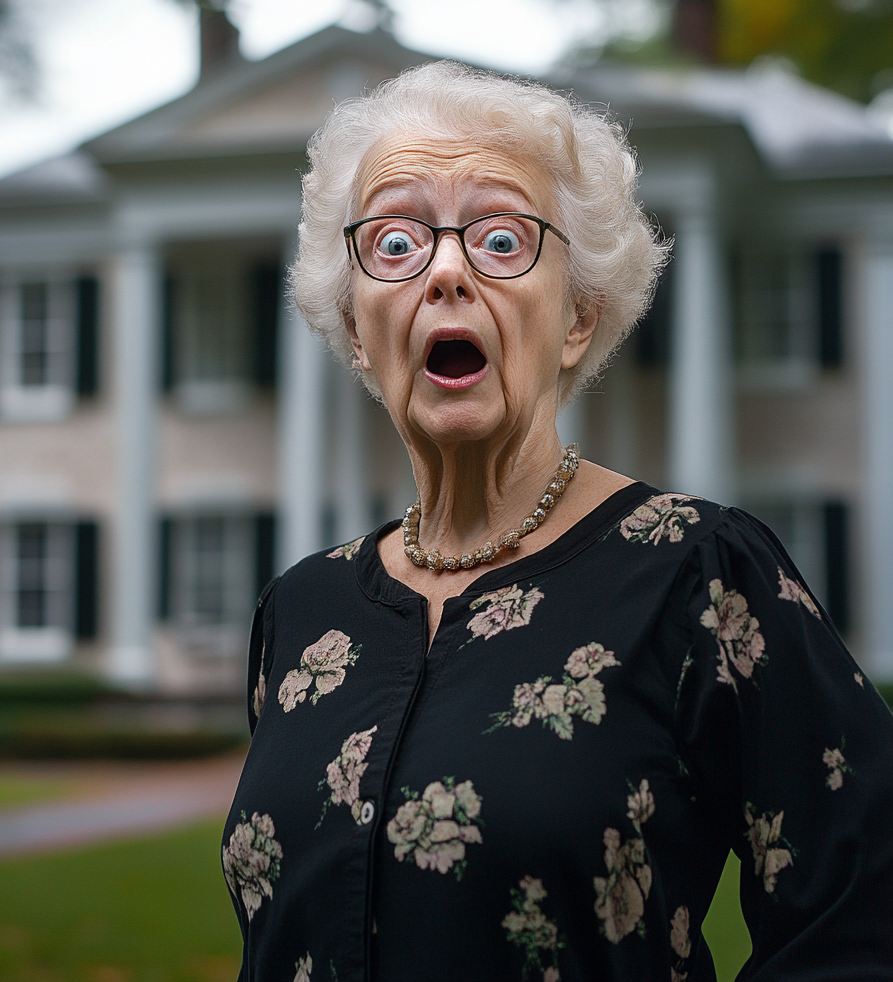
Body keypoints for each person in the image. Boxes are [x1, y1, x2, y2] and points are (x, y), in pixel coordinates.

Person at [221, 62, 893, 982]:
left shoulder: (699, 573)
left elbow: (863, 917)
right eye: (394, 242)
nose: (447, 270)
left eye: (501, 239)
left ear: (577, 318)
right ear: (356, 323)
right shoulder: (302, 611)